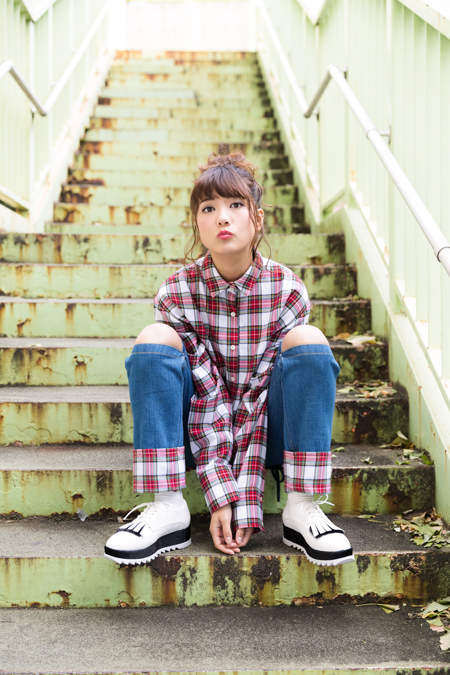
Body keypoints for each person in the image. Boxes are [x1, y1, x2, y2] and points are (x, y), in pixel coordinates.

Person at [104, 150, 354, 567]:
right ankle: (167, 504)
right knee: (154, 339)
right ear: (197, 222)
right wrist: (220, 492)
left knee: (308, 340)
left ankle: (302, 506)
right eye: (209, 208)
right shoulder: (176, 293)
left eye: (236, 205)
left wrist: (245, 496)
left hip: (269, 432)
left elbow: (256, 400)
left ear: (257, 218)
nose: (223, 217)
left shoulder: (287, 289)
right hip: (194, 431)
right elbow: (208, 398)